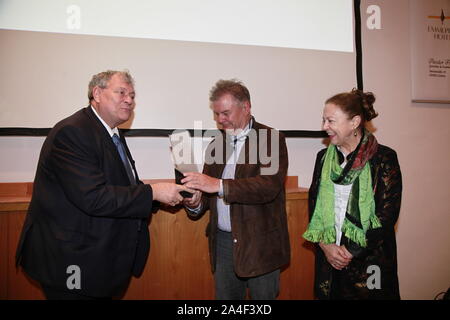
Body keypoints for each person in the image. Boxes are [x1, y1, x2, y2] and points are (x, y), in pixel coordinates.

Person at [15, 70, 192, 300]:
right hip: (73, 261)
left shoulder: (111, 133)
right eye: (121, 92)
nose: (129, 100)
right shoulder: (73, 132)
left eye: (132, 95)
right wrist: (153, 193)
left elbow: (123, 187)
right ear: (97, 93)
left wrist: (161, 196)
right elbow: (94, 197)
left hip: (101, 262)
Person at [181, 79, 290, 300]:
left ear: (246, 107)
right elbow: (208, 191)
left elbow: (267, 187)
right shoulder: (217, 143)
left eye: (226, 113)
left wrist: (217, 185)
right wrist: (195, 203)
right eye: (217, 114)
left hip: (260, 244)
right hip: (222, 243)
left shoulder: (270, 138)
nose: (221, 120)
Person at [303, 89, 402, 300]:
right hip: (328, 259)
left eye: (330, 121)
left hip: (368, 263)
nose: (324, 127)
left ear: (355, 122)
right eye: (323, 120)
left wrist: (349, 251)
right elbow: (314, 204)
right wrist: (325, 245)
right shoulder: (323, 157)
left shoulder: (383, 158)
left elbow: (387, 215)